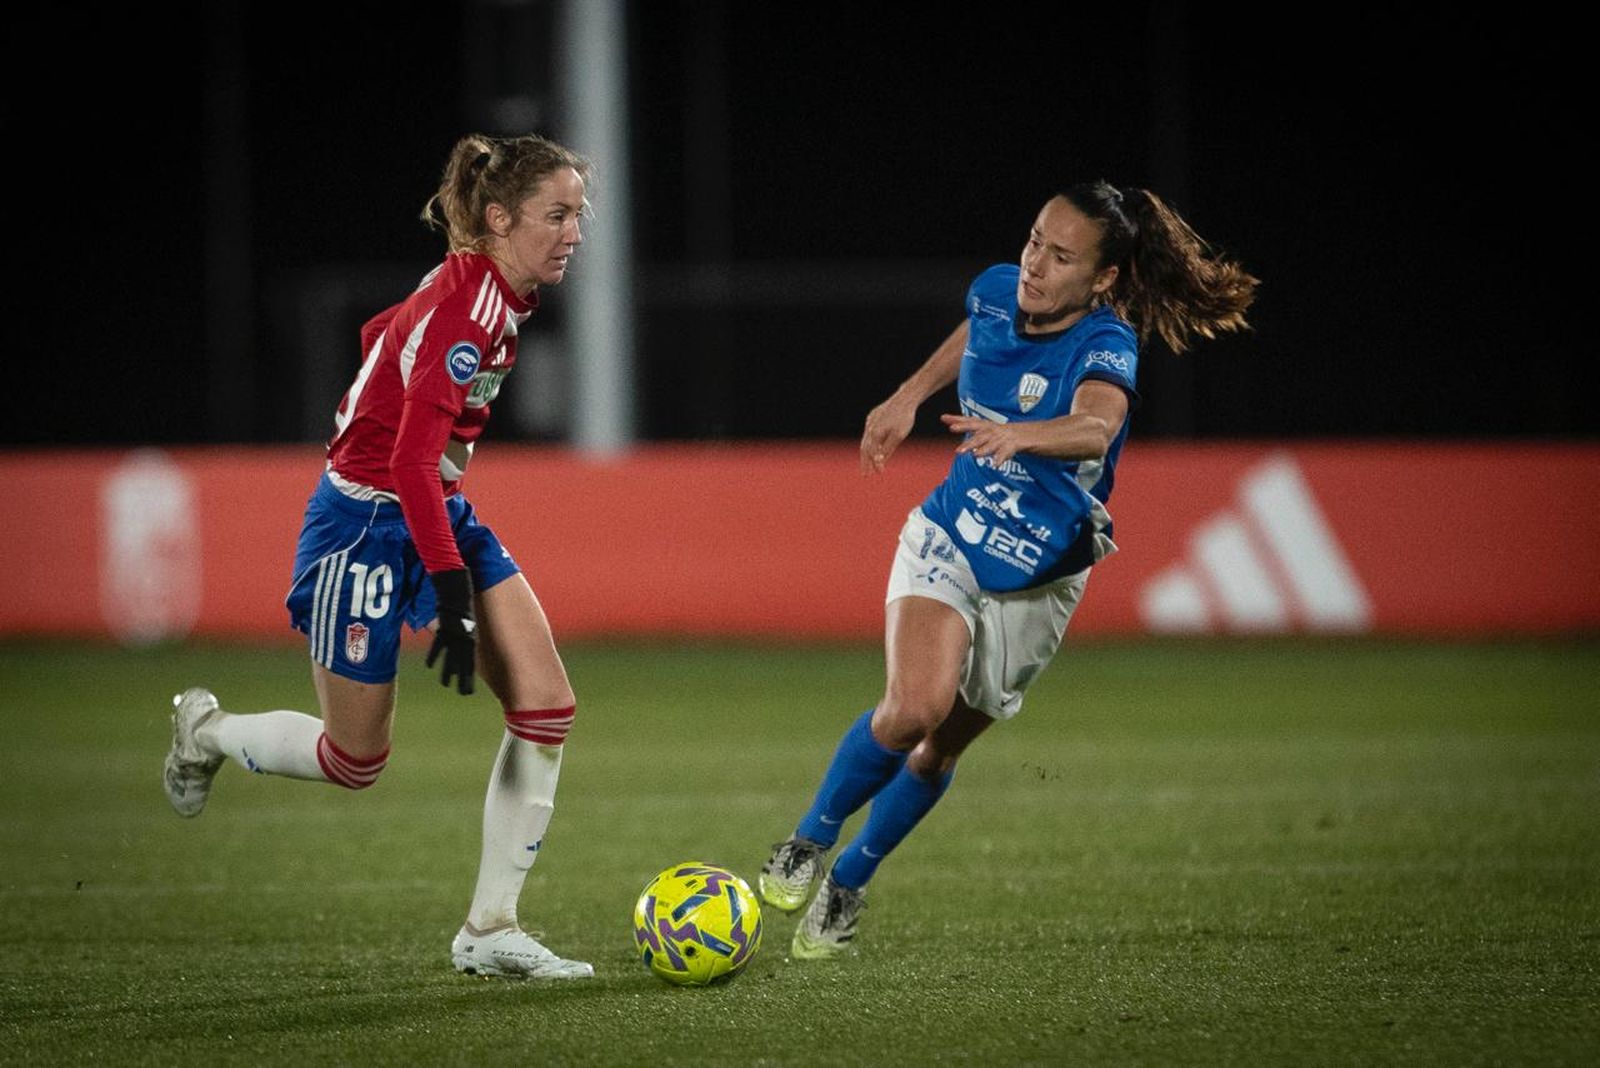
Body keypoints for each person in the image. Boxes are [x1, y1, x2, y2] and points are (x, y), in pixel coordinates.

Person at [758, 181, 1259, 959]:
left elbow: (1096, 426)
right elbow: (977, 330)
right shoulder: (997, 289)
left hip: (1041, 573)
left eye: (1061, 257)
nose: (1034, 264)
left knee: (941, 749)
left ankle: (851, 879)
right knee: (911, 709)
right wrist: (907, 396)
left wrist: (1023, 435)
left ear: (1102, 279)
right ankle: (808, 839)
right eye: (1033, 241)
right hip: (953, 531)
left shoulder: (1105, 343)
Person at [162, 132, 596, 980]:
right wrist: (450, 590)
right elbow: (401, 460)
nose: (576, 230)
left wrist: (386, 382)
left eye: (580, 212)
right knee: (353, 760)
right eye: (558, 213)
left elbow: (381, 334)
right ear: (502, 218)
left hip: (434, 505)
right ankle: (204, 731)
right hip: (363, 523)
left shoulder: (490, 290)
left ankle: (489, 928)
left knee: (545, 706)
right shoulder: (473, 309)